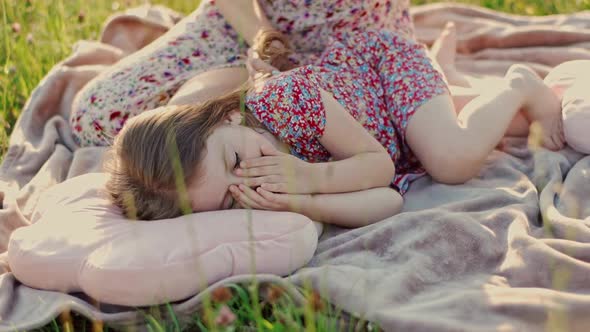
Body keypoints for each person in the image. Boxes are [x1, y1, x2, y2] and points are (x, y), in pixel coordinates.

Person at [104, 23, 564, 226]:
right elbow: (386, 201)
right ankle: (446, 73)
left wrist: (310, 176)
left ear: (225, 117)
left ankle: (519, 84)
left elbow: (380, 168)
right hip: (380, 123)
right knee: (496, 129)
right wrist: (302, 203)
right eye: (229, 195)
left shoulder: (284, 101)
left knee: (452, 159)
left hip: (382, 72)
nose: (251, 177)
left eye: (236, 160)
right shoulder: (262, 198)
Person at [70, 0, 414, 147]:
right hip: (249, 24)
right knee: (99, 118)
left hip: (353, 34)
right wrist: (265, 42)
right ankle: (238, 86)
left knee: (364, 145)